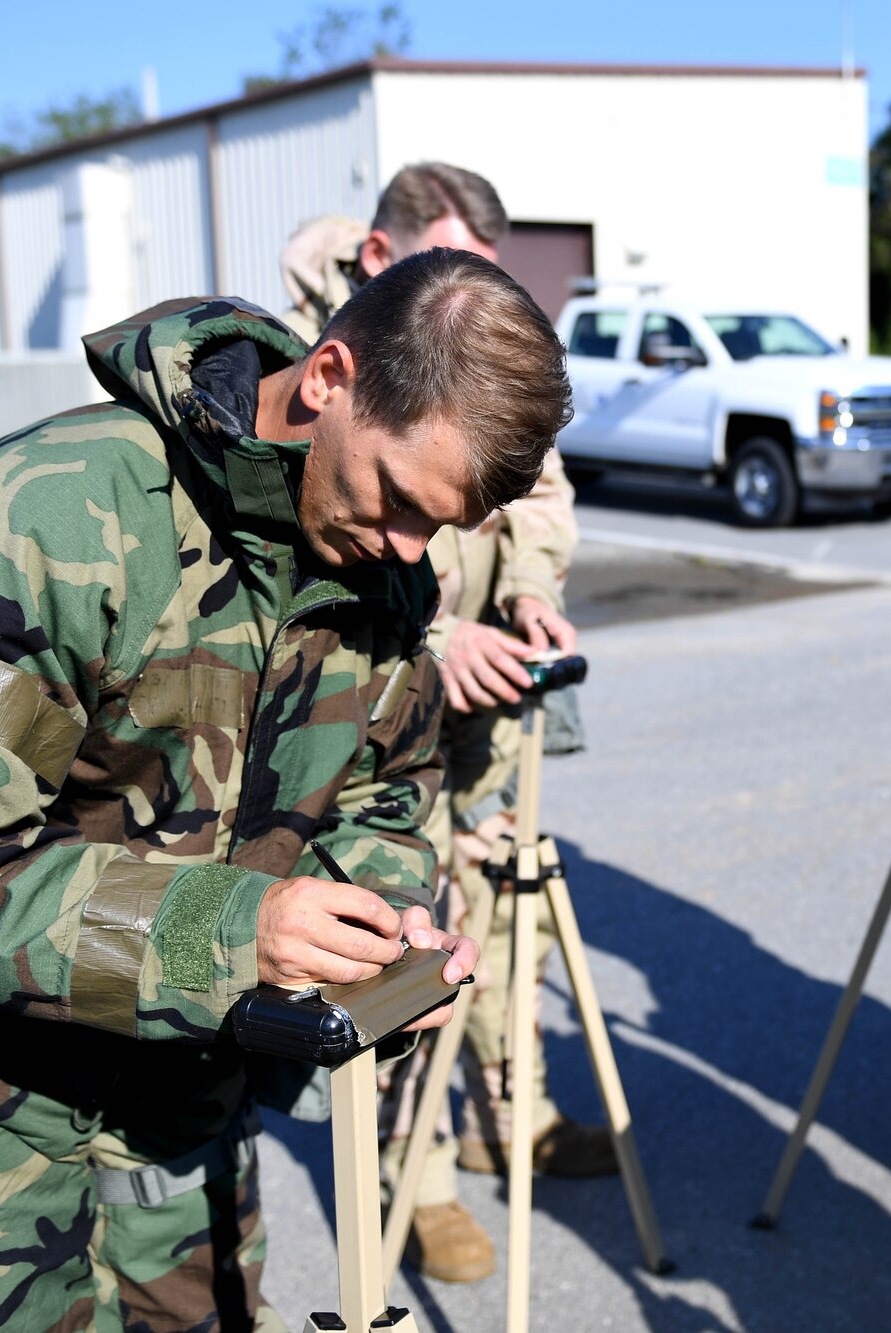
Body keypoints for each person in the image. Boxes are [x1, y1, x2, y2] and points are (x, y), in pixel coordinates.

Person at [0, 247, 571, 1330]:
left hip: (178, 1129)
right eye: (393, 499)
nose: (403, 550)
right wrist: (238, 929)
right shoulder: (36, 520)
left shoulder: (383, 570)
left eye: (435, 528)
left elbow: (383, 785)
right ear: (328, 376)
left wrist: (381, 929)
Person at [282, 162, 605, 1289]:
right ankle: (411, 1183)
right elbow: (295, 572)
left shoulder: (469, 333)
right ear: (385, 256)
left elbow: (539, 486)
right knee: (405, 937)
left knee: (504, 916)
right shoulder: (308, 359)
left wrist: (524, 584)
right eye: (461, 266)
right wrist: (431, 637)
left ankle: (510, 1114)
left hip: (486, 703)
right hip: (375, 704)